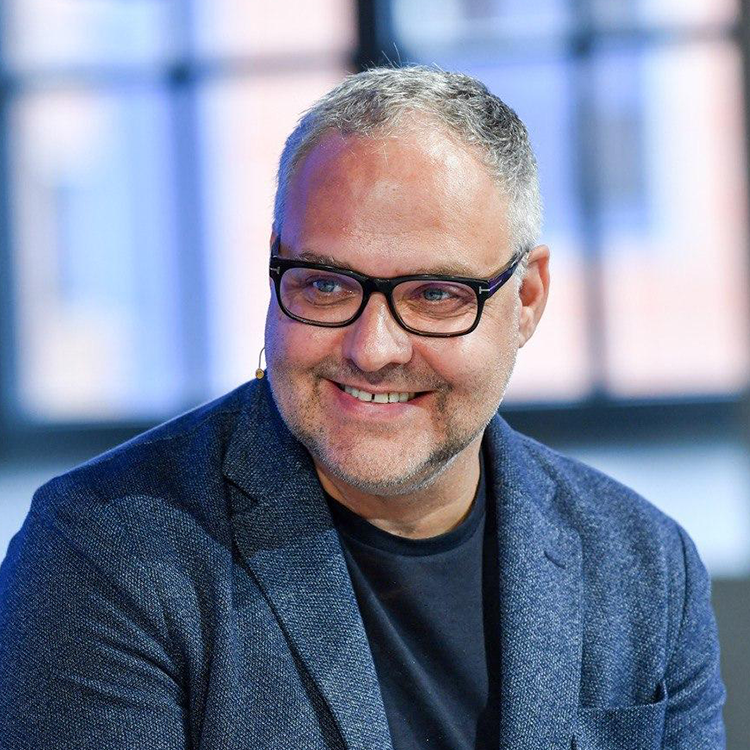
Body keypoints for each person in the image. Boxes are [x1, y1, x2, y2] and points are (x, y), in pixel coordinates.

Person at [0, 66, 725, 749]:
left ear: (527, 299)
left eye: (435, 295)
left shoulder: (646, 566)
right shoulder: (104, 552)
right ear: (275, 267)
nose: (373, 348)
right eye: (325, 285)